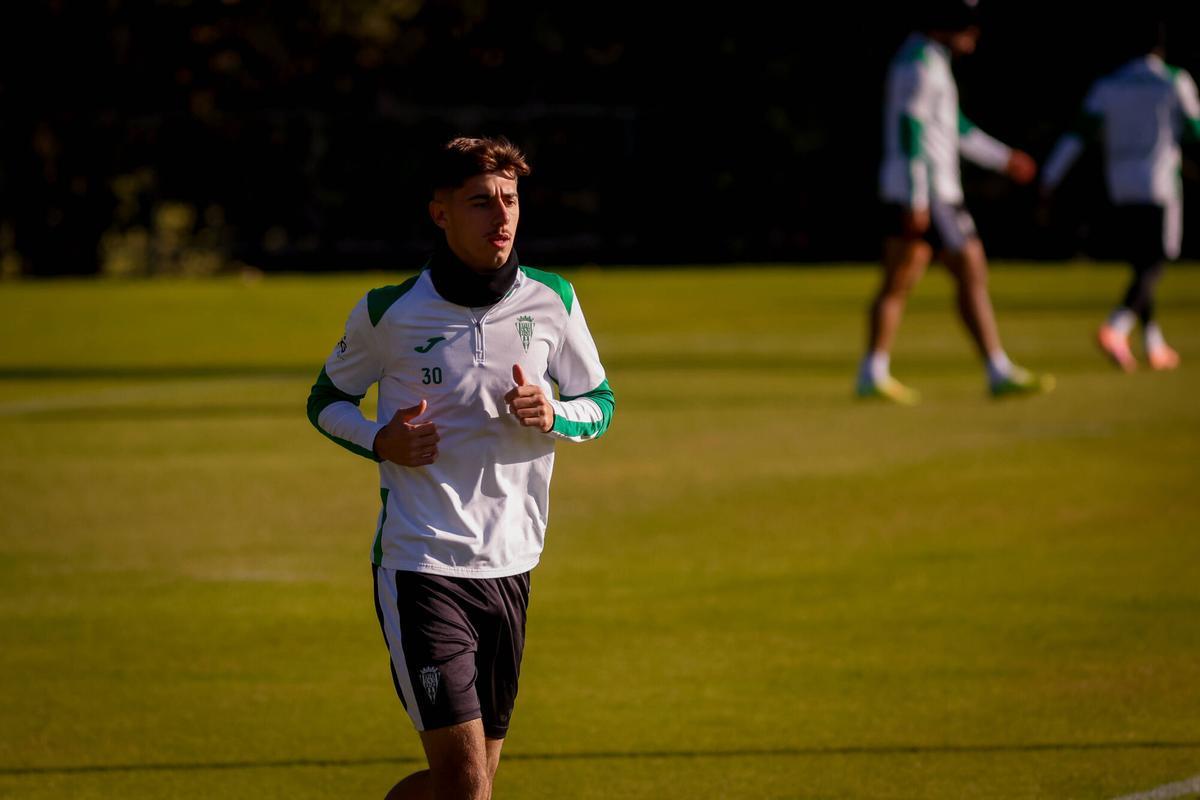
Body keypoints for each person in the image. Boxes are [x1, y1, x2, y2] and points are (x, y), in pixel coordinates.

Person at [306, 136, 614, 800]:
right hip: (422, 564)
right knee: (468, 783)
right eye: (480, 203)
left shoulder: (553, 301)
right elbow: (326, 400)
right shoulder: (389, 312)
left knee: (467, 786)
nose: (501, 217)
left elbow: (601, 403)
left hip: (512, 562)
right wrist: (378, 440)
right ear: (440, 213)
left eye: (509, 200)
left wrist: (555, 412)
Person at [859, 0, 1053, 404]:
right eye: (968, 27)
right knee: (969, 269)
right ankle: (997, 369)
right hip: (930, 192)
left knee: (901, 278)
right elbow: (910, 129)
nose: (974, 36)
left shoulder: (928, 60)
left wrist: (1003, 158)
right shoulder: (918, 64)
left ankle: (873, 371)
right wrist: (916, 198)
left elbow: (955, 127)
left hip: (919, 191)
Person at [1040, 21, 1200, 372]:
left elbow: (1078, 134)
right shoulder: (1173, 80)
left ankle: (1153, 343)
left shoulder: (1109, 85)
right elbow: (1194, 130)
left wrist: (1050, 175)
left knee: (1141, 261)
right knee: (1155, 261)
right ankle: (1117, 326)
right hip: (1159, 182)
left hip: (1122, 184)